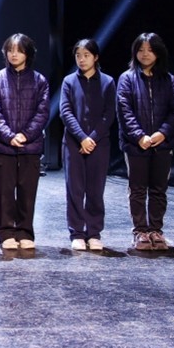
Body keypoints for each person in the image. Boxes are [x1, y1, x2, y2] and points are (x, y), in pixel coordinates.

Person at [117, 32, 174, 251]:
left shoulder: (168, 79)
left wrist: (162, 133)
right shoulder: (127, 78)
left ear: (158, 53)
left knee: (158, 189)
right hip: (136, 144)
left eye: (150, 50)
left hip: (162, 144)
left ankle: (156, 230)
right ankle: (140, 231)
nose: (145, 54)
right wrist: (139, 136)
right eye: (141, 50)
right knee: (137, 189)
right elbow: (124, 110)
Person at [0, 33, 50, 250]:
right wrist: (9, 136)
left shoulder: (39, 81)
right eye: (10, 50)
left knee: (27, 192)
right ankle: (6, 233)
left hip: (30, 146)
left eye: (19, 50)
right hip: (4, 146)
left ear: (28, 54)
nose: (14, 54)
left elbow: (42, 112)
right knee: (4, 193)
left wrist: (25, 135)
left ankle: (25, 231)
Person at [59, 38, 116, 251]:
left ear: (95, 57)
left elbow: (109, 114)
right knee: (75, 189)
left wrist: (92, 138)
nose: (81, 60)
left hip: (99, 144)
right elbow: (65, 111)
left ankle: (94, 233)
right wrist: (82, 137)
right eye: (78, 56)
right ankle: (76, 233)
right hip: (73, 143)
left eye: (86, 55)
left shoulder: (108, 82)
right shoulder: (69, 81)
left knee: (95, 190)